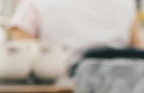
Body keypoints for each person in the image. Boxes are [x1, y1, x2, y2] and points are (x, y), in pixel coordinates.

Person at [8, 0, 142, 68]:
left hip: (64, 86)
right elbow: (136, 46)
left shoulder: (37, 2)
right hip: (121, 85)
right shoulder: (126, 2)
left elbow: (20, 50)